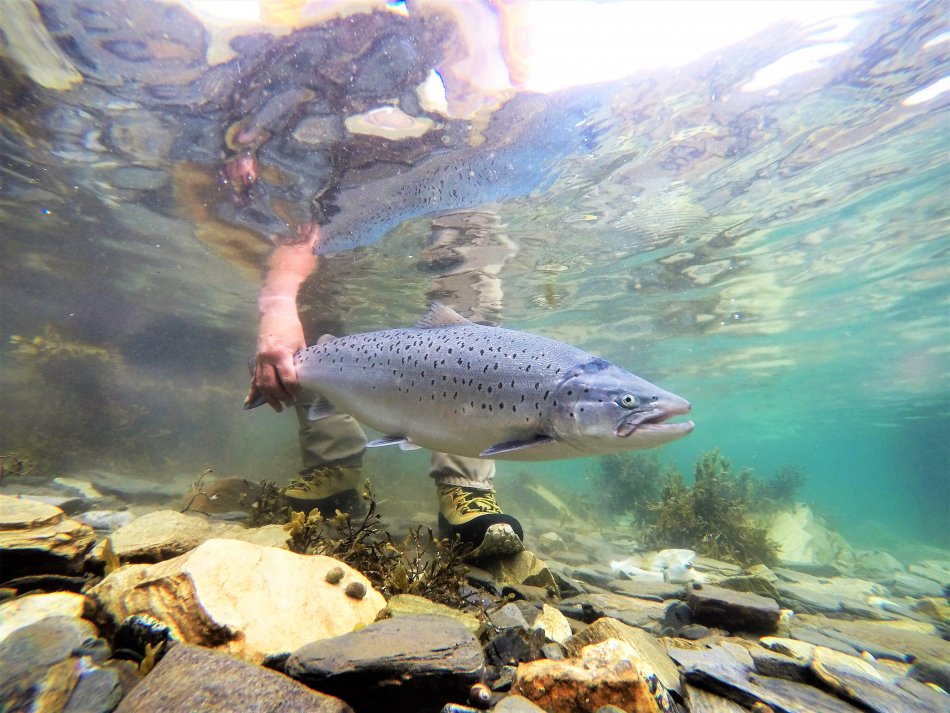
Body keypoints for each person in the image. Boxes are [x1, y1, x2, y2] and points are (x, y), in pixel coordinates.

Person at [244, 213, 525, 558]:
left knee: (475, 327)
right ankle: (333, 464)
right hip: (329, 228)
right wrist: (277, 307)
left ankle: (466, 483)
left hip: (465, 217)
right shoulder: (316, 190)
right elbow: (298, 242)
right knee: (314, 306)